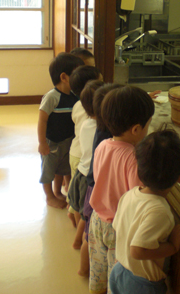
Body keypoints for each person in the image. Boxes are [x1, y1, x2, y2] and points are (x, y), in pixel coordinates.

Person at [88, 85, 155, 294]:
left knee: (98, 266)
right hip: (117, 227)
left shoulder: (103, 145)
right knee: (116, 274)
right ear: (136, 129)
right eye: (148, 126)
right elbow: (138, 198)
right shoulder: (132, 158)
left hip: (97, 220)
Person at [109, 128, 180, 294]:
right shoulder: (160, 211)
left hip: (119, 270)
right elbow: (137, 251)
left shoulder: (130, 195)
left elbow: (118, 228)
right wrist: (172, 246)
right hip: (141, 285)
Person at [78, 83, 123, 277]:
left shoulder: (102, 129)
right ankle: (83, 269)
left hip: (94, 191)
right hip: (98, 192)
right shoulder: (110, 138)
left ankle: (84, 269)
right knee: (90, 238)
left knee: (90, 233)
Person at [37, 52, 84, 209]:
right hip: (52, 142)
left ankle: (58, 191)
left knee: (62, 169)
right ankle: (49, 196)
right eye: (77, 75)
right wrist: (42, 142)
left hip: (67, 140)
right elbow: (42, 120)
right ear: (64, 77)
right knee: (48, 170)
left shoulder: (74, 95)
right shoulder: (51, 97)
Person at [68, 79, 104, 249]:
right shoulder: (102, 129)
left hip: (79, 174)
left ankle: (77, 235)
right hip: (89, 179)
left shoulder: (86, 124)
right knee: (86, 215)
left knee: (79, 209)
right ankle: (79, 240)